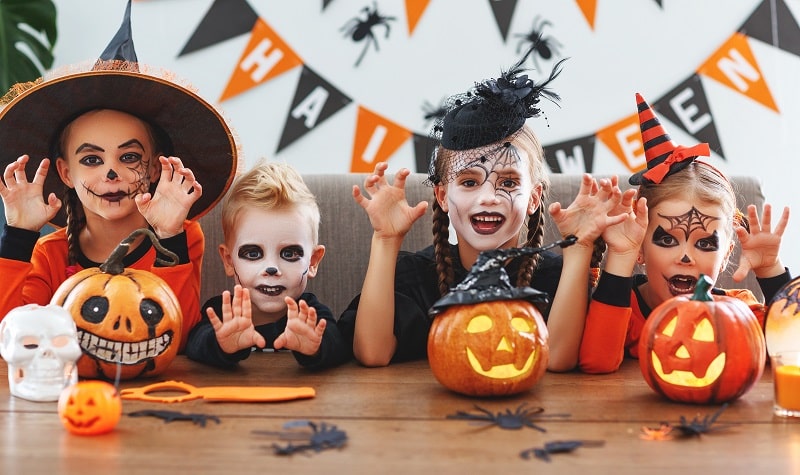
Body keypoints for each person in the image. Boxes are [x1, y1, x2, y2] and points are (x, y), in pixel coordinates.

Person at [339, 49, 630, 370]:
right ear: (442, 195)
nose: (489, 197)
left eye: (507, 183)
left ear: (533, 198)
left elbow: (558, 359)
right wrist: (385, 240)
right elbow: (372, 353)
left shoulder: (554, 278)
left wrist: (579, 250)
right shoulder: (415, 277)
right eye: (469, 182)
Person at [0, 1, 238, 354]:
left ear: (155, 167)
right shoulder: (50, 253)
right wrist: (18, 236)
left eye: (128, 157)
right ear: (65, 172)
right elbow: (10, 335)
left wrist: (170, 236)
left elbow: (177, 336)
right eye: (92, 159)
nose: (110, 174)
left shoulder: (182, 236)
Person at [578, 93, 791, 374]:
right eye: (667, 239)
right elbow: (596, 361)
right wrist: (621, 255)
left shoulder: (737, 311)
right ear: (641, 248)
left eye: (705, 243)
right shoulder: (623, 307)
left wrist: (770, 271)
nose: (686, 257)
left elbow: (790, 348)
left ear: (726, 254)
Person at [185, 161, 352, 369]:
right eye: (254, 253)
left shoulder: (308, 313)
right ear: (229, 261)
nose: (271, 269)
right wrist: (222, 344)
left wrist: (315, 347)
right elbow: (194, 344)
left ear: (312, 262)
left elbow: (339, 345)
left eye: (289, 253)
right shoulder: (223, 311)